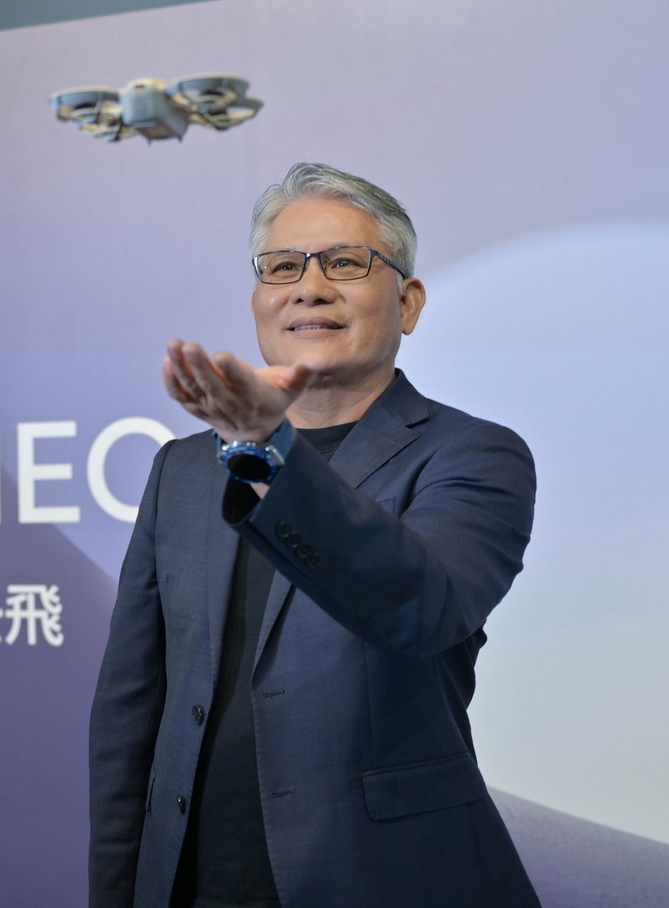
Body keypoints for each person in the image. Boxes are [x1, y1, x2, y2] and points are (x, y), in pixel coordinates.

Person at [88, 162, 541, 907]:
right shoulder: (183, 469)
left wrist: (270, 454)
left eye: (346, 262)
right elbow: (129, 706)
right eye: (282, 267)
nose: (310, 287)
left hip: (386, 881)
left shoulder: (473, 455)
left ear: (408, 302)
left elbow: (423, 606)